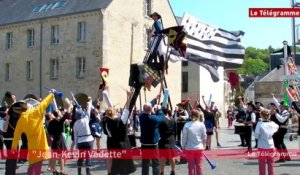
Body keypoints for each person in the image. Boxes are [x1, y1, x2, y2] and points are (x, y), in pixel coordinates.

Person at [11, 90, 56, 175]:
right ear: (28, 107)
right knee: (37, 168)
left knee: (32, 165)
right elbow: (45, 102)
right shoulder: (36, 111)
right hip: (41, 145)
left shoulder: (20, 121)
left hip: (31, 146)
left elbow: (16, 135)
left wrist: (14, 147)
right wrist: (51, 94)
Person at [102, 90, 136, 175]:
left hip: (114, 146)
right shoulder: (122, 120)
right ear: (115, 113)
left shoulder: (107, 123)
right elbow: (127, 109)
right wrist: (129, 97)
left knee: (115, 166)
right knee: (125, 167)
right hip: (124, 146)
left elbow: (113, 112)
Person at [139, 94, 164, 175]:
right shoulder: (153, 118)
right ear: (150, 110)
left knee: (145, 163)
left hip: (144, 143)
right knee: (155, 163)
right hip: (153, 144)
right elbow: (161, 118)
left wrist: (155, 99)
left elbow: (147, 107)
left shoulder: (141, 116)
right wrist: (159, 109)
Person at [181, 110, 207, 175]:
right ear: (198, 115)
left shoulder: (187, 125)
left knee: (191, 166)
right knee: (199, 166)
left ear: (190, 116)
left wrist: (183, 146)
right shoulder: (202, 124)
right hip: (199, 148)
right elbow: (204, 136)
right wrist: (204, 145)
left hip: (189, 148)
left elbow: (184, 137)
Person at [73, 97, 94, 175]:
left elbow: (75, 135)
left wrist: (76, 145)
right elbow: (88, 110)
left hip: (80, 141)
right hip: (88, 140)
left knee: (81, 157)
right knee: (88, 156)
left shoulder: (75, 124)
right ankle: (88, 172)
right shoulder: (86, 119)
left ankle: (79, 172)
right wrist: (90, 101)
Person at [255, 109, 279, 175]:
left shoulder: (260, 124)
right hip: (271, 145)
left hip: (262, 146)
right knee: (271, 164)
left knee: (262, 165)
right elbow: (277, 127)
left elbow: (256, 136)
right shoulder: (272, 123)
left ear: (261, 116)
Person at [159, 107, 176, 175]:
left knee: (163, 157)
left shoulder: (162, 120)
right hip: (171, 139)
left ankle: (162, 172)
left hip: (164, 140)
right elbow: (175, 130)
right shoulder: (172, 119)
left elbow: (159, 131)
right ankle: (173, 171)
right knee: (172, 156)